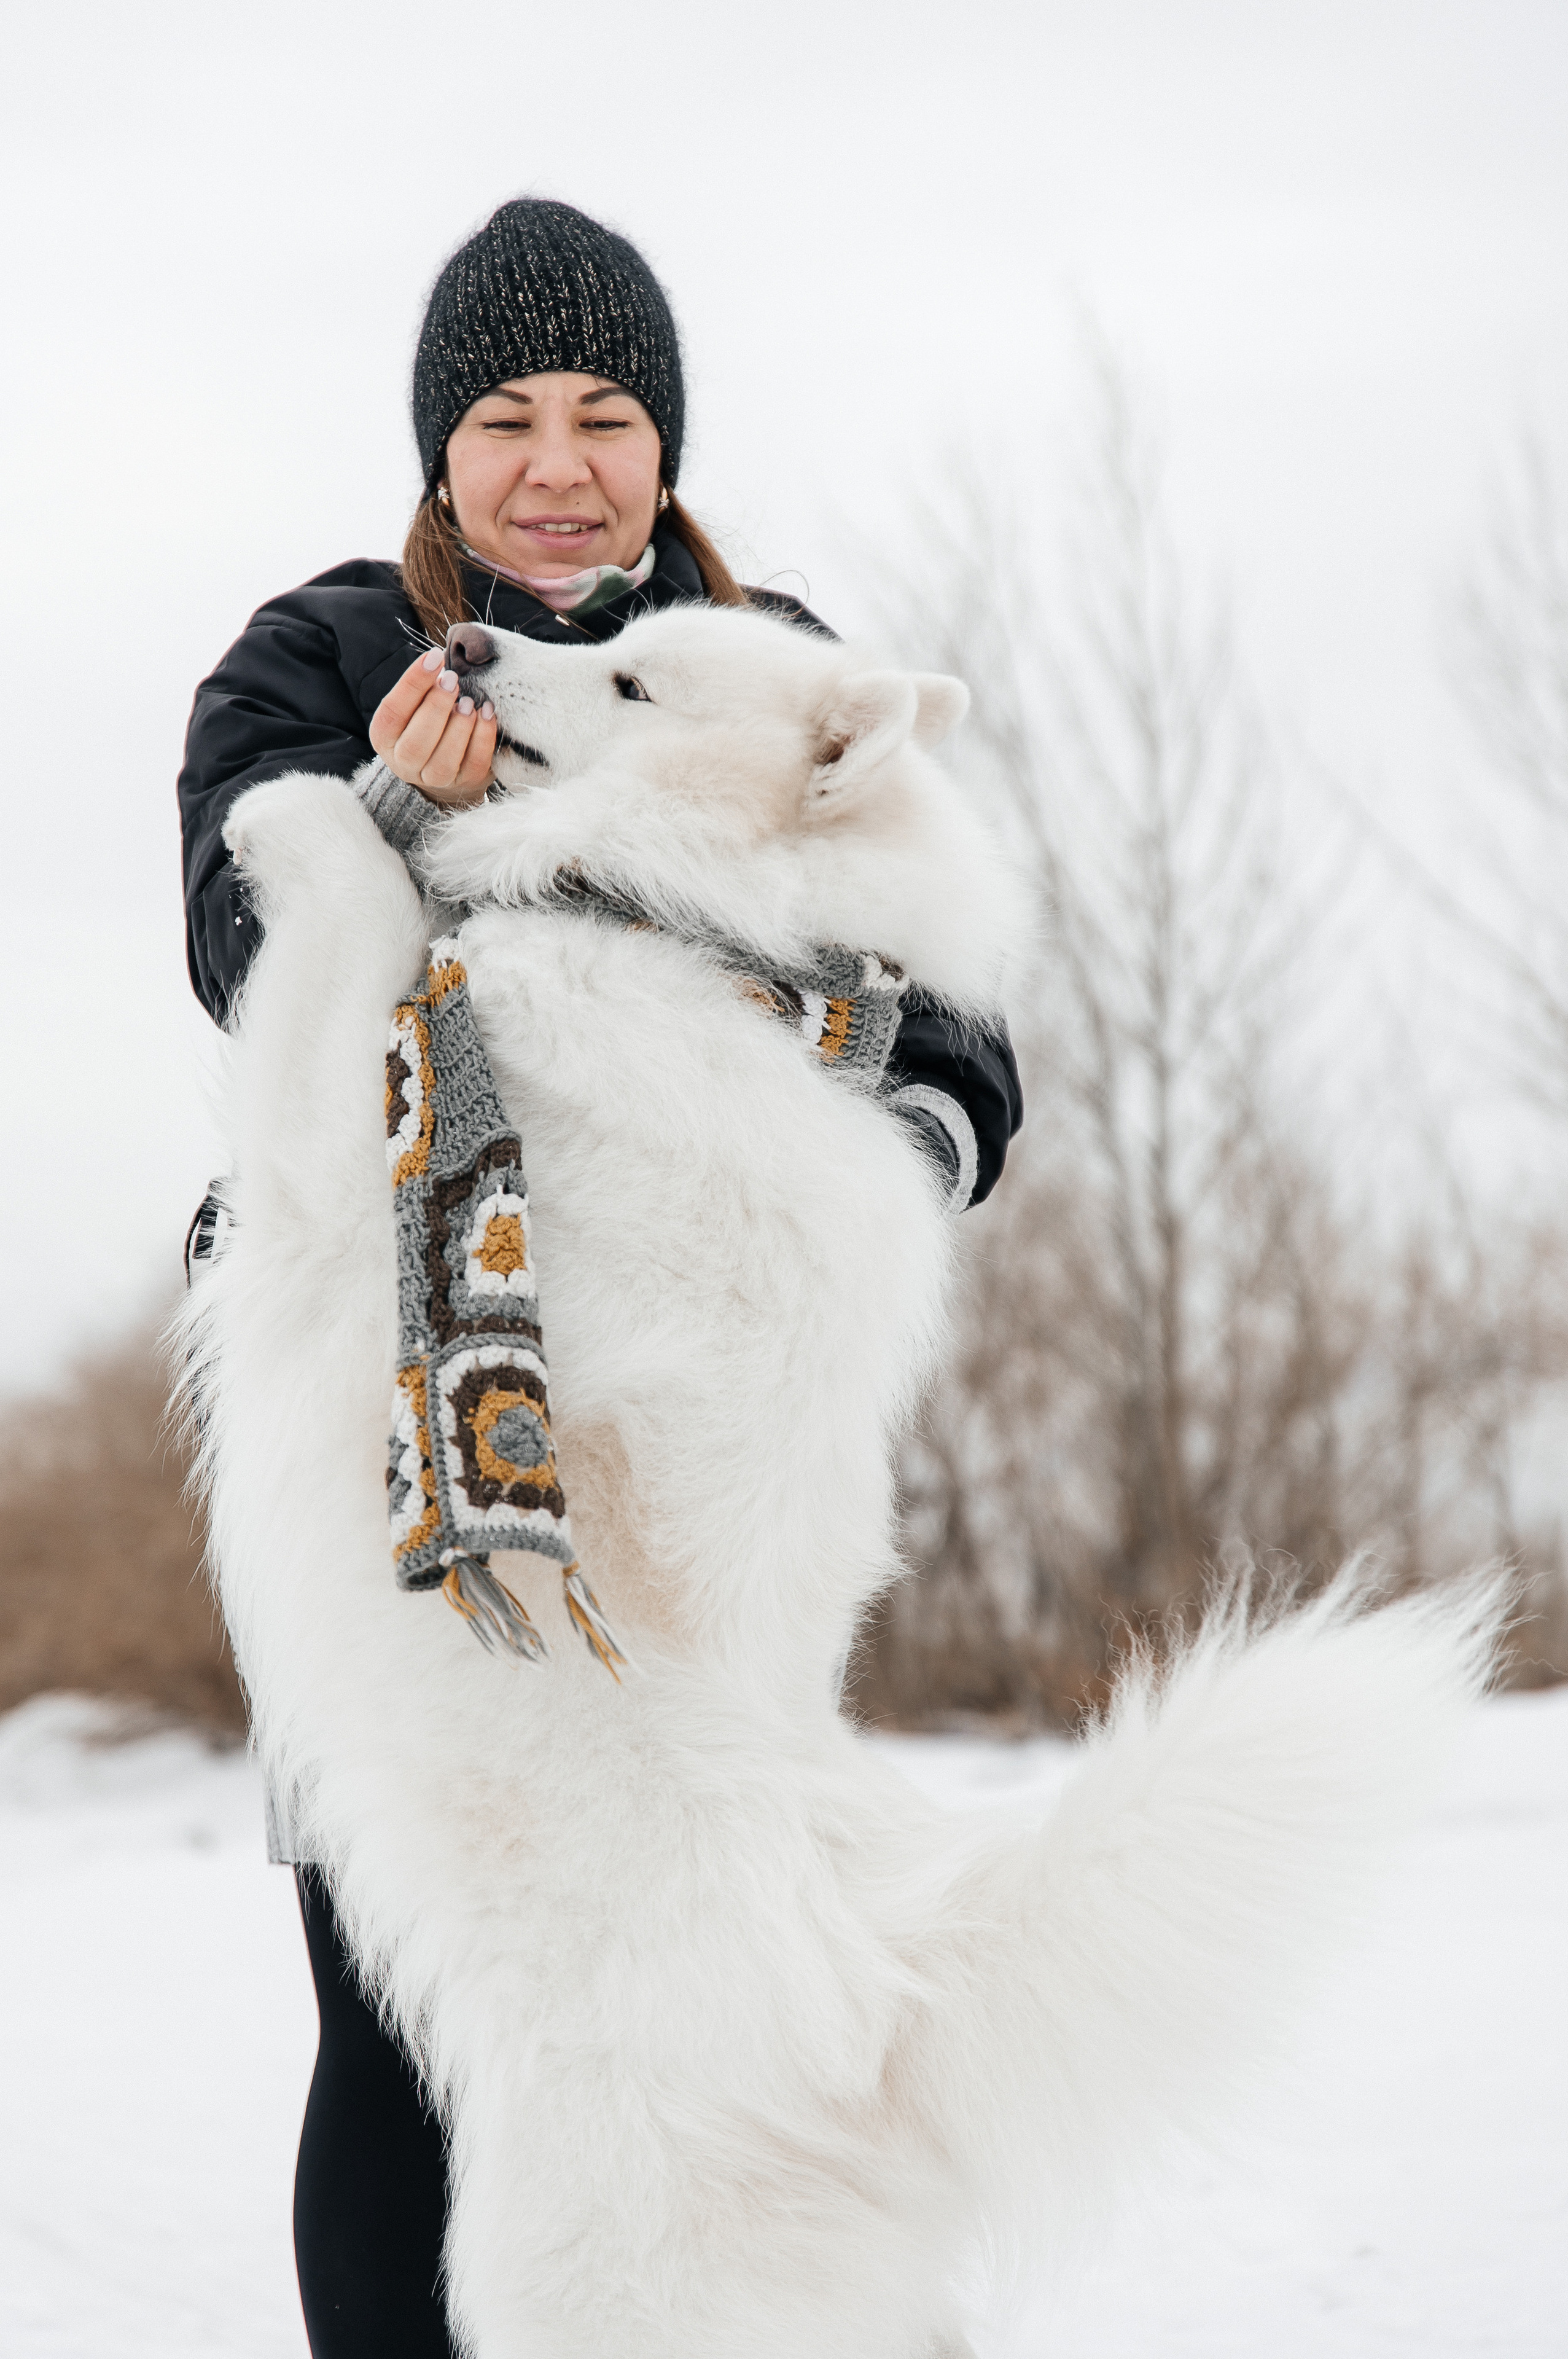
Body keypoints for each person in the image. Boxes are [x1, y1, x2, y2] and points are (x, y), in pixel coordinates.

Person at [177, 197, 1023, 2359]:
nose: (561, 464)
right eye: (507, 417)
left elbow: (954, 1035)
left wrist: (854, 1162)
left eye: (609, 413)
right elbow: (245, 946)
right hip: (393, 1403)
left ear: (667, 442)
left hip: (687, 1442)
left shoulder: (771, 656)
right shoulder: (318, 648)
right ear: (441, 451)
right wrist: (383, 800)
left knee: (714, 1958)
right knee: (404, 2006)